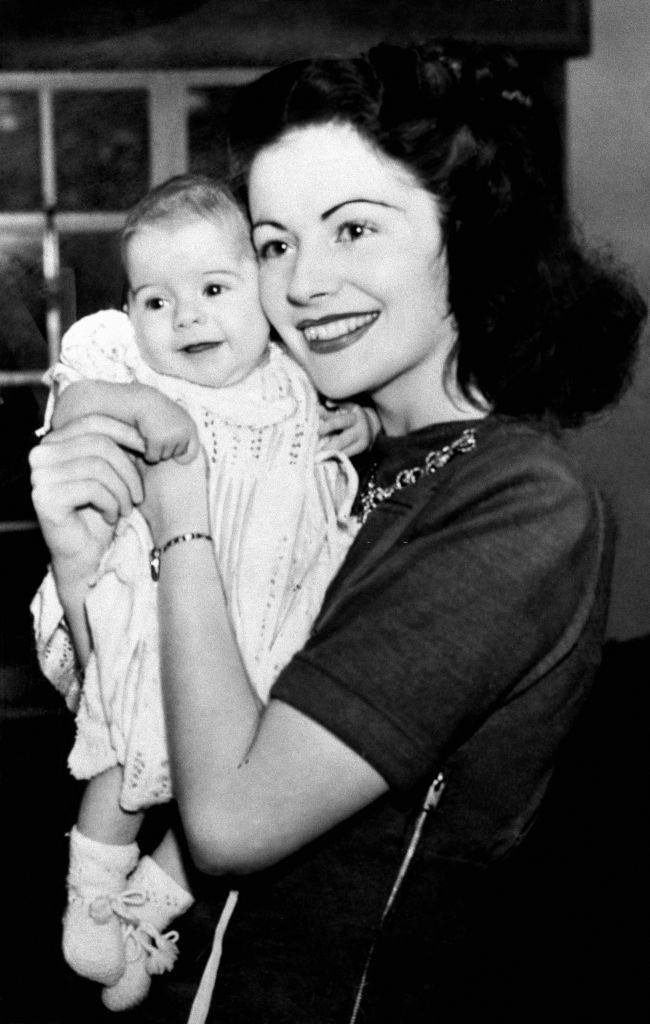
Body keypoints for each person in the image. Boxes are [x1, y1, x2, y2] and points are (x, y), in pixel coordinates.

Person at [29, 41, 646, 1023]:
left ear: (467, 233)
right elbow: (142, 721)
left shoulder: (520, 501)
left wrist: (178, 502)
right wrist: (80, 560)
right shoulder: (321, 454)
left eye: (352, 228)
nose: (303, 282)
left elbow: (229, 818)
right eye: (273, 243)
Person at [30, 174, 378, 1012]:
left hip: (267, 615)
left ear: (262, 295)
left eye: (214, 290)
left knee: (235, 768)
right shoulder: (128, 359)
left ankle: (150, 909)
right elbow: (73, 393)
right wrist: (131, 400)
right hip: (150, 602)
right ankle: (93, 884)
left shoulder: (295, 372)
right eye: (156, 299)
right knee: (126, 728)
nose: (184, 318)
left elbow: (352, 418)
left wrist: (360, 424)